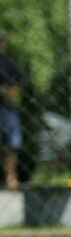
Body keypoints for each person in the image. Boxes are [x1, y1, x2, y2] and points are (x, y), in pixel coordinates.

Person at [0, 31, 23, 190]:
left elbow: (17, 84)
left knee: (11, 144)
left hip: (6, 107)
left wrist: (7, 92)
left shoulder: (8, 63)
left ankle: (11, 177)